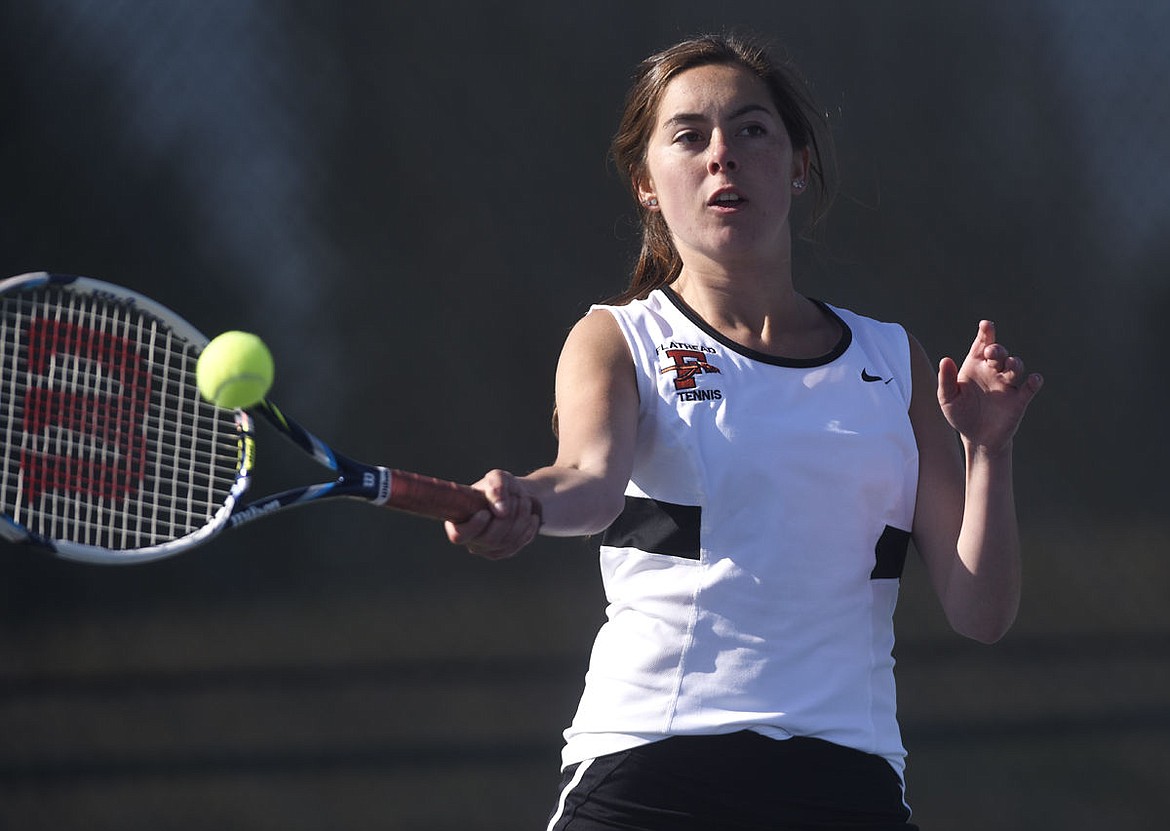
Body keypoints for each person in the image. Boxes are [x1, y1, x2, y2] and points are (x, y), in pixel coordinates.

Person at [446, 33, 1043, 831]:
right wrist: (524, 498)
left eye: (751, 130)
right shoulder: (618, 338)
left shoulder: (894, 360)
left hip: (846, 778)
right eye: (689, 136)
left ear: (797, 164)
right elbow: (587, 482)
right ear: (646, 184)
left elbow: (982, 609)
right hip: (650, 768)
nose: (722, 154)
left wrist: (989, 453)